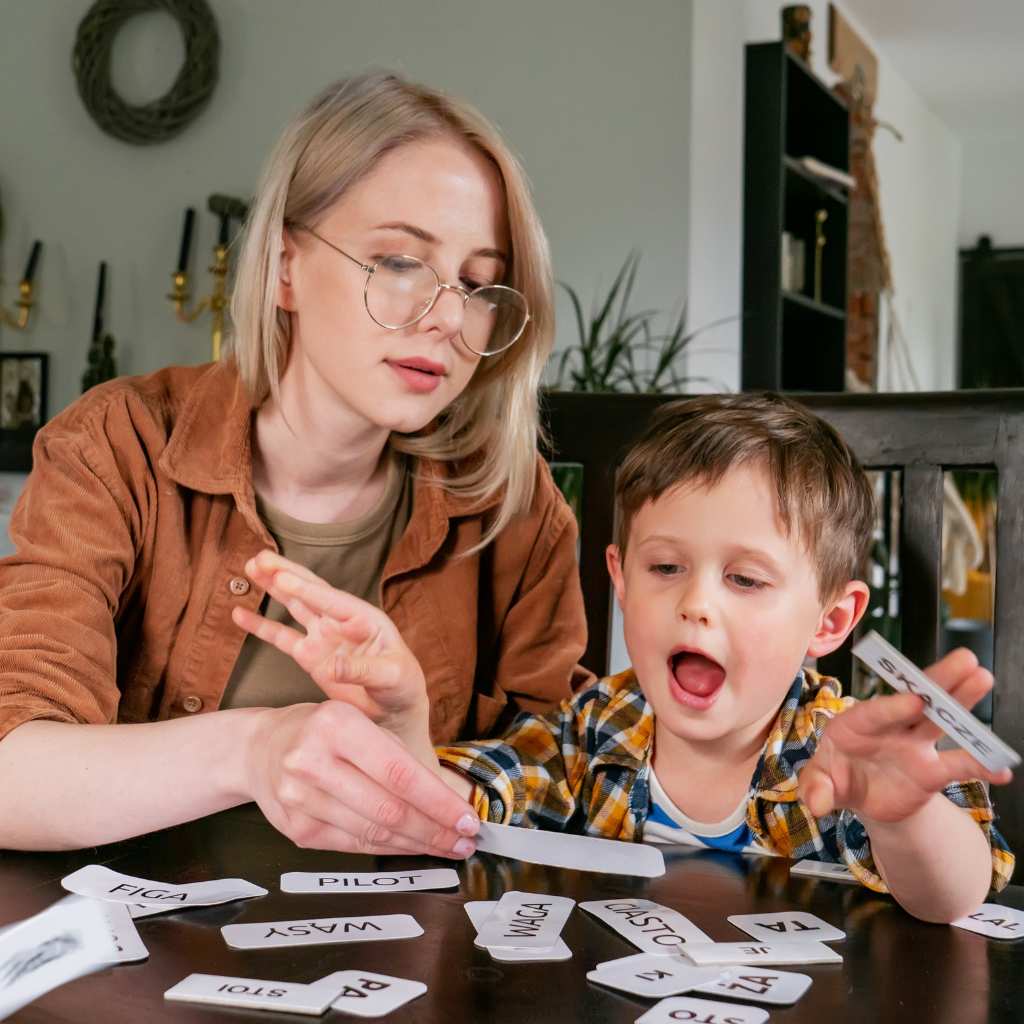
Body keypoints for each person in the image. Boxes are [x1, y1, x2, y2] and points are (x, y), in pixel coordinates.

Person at [0, 71, 590, 856]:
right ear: (284, 269)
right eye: (399, 261)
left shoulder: (516, 509)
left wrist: (412, 742)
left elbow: (565, 789)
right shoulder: (118, 446)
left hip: (412, 959)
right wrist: (256, 749)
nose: (449, 318)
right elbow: (13, 771)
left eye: (479, 283)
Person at [243, 394, 1014, 923]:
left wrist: (904, 816)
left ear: (830, 620)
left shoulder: (845, 753)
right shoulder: (595, 729)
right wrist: (403, 716)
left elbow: (953, 898)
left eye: (745, 579)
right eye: (665, 568)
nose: (697, 604)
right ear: (618, 579)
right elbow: (462, 813)